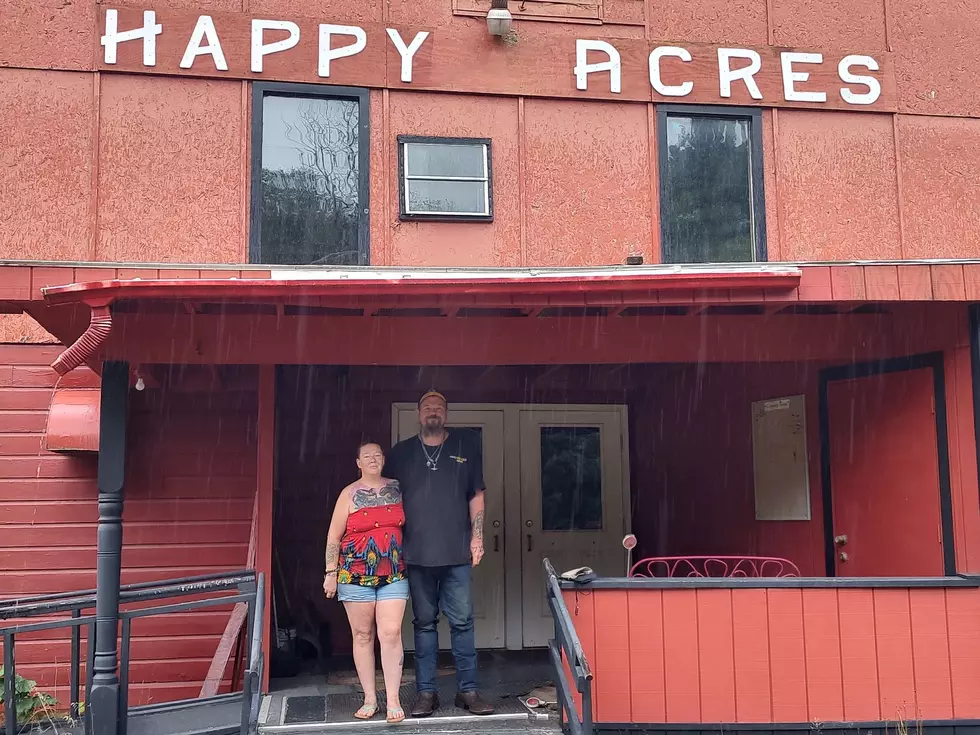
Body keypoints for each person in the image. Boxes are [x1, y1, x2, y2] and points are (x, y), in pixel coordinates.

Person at [384, 390, 494, 717]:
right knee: (423, 625)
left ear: (445, 415)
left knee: (462, 623)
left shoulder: (466, 446)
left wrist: (477, 538)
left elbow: (476, 495)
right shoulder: (401, 453)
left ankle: (468, 692)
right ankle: (426, 694)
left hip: (457, 552)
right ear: (418, 414)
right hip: (416, 554)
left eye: (439, 408)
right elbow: (388, 500)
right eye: (428, 407)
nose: (433, 411)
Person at [323, 441, 408, 724]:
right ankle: (370, 698)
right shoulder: (348, 494)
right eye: (366, 456)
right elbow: (334, 536)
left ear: (384, 459)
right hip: (354, 574)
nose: (373, 459)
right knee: (362, 636)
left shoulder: (397, 488)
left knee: (391, 632)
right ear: (358, 462)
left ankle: (393, 698)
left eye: (377, 455)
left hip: (394, 572)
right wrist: (330, 573)